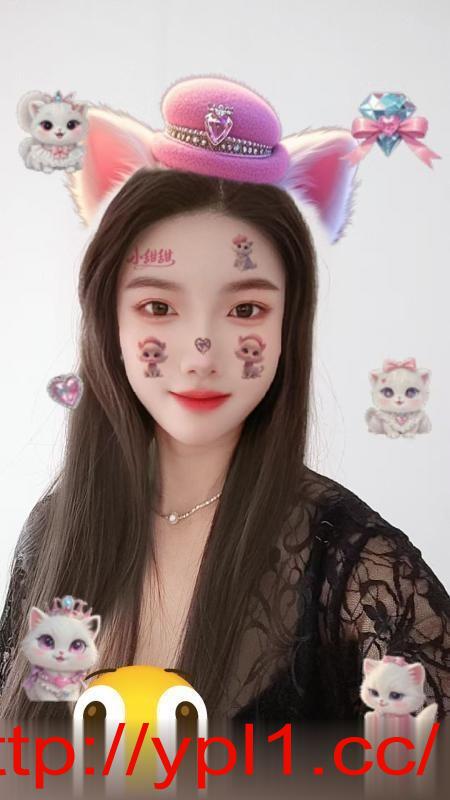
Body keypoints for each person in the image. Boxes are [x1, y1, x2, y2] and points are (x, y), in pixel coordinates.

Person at [0, 76, 449, 725]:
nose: (200, 354)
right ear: (109, 321)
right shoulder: (54, 532)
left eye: (245, 310)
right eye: (159, 307)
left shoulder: (358, 568)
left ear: (288, 323)